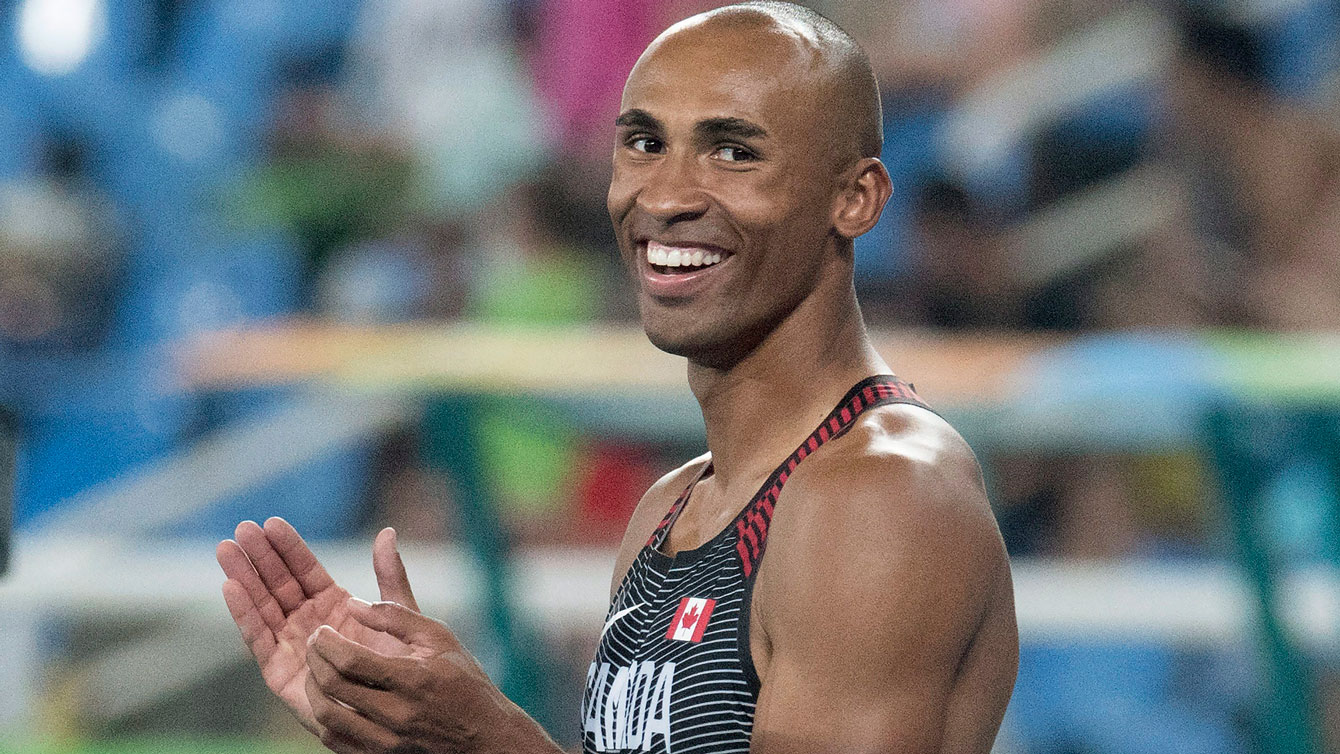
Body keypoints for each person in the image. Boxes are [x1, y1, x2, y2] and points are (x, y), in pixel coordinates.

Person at [216, 3, 1018, 752]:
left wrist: (491, 738)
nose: (665, 195)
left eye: (733, 151)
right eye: (643, 143)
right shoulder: (667, 512)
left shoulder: (880, 498)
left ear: (856, 197)